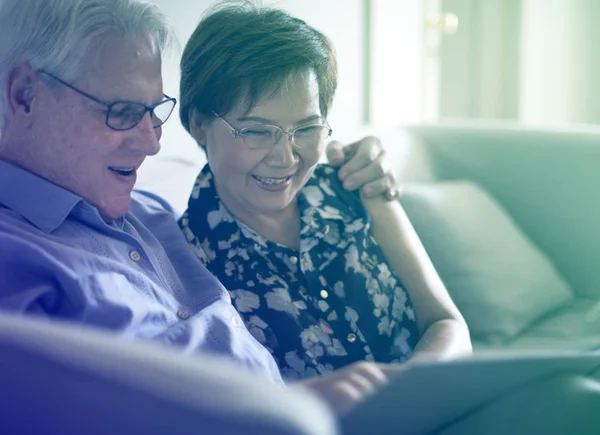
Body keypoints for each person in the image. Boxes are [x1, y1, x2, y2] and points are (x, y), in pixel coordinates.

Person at [0, 0, 410, 415]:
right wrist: (293, 408)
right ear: (25, 96)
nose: (152, 143)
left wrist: (355, 156)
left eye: (152, 112)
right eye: (121, 113)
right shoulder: (14, 257)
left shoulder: (147, 212)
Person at [177, 2, 471, 381]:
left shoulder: (354, 185)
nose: (285, 157)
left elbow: (446, 322)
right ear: (199, 123)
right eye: (256, 131)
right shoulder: (187, 260)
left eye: (306, 128)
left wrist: (411, 390)